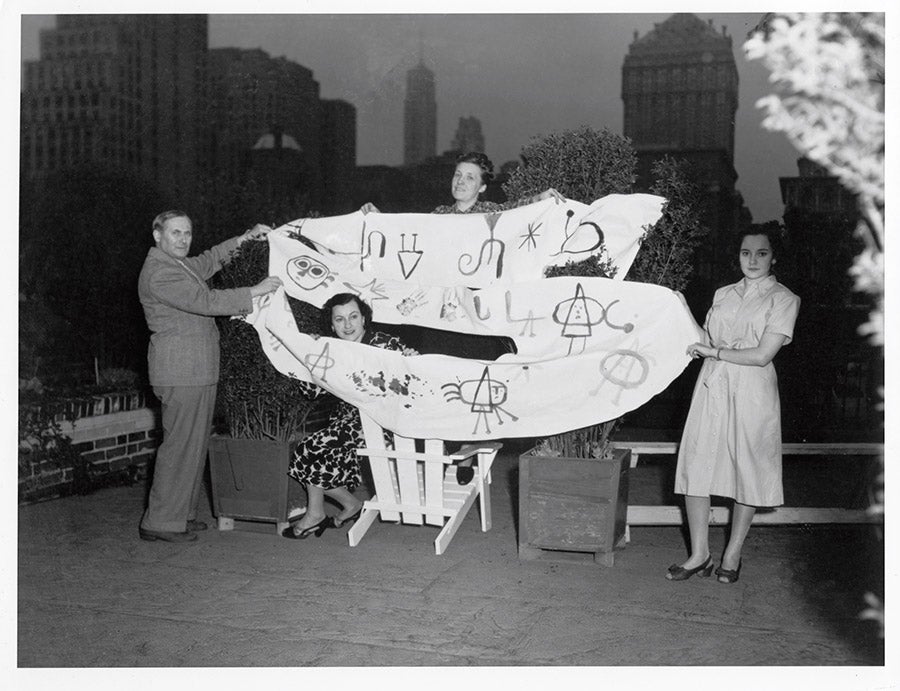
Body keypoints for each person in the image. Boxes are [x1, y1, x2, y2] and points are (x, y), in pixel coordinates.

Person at [360, 152, 564, 483]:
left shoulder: (490, 213)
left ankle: (467, 447)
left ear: (482, 187)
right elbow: (407, 237)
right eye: (457, 175)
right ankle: (446, 446)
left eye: (469, 177)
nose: (460, 181)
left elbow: (517, 211)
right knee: (438, 378)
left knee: (473, 382)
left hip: (476, 320)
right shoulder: (439, 215)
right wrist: (377, 220)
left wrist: (540, 199)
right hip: (439, 317)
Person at [138, 210, 282, 542]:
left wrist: (247, 237)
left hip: (196, 369)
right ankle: (160, 522)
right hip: (181, 370)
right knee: (179, 447)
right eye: (175, 233)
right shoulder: (159, 273)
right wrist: (254, 291)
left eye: (187, 232)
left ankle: (179, 516)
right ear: (157, 235)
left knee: (193, 445)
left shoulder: (180, 264)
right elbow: (205, 300)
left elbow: (212, 258)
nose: (183, 239)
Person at [666, 226, 800, 583]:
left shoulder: (784, 298)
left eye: (761, 253)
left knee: (747, 469)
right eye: (745, 253)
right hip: (712, 384)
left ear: (774, 257)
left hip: (753, 389)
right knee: (696, 464)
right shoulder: (723, 293)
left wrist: (715, 352)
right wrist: (680, 309)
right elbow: (704, 341)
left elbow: (761, 355)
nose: (752, 260)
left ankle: (733, 553)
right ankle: (699, 554)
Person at [284, 293, 418, 539]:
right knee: (308, 454)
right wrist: (309, 356)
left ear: (364, 318)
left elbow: (417, 379)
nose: (348, 325)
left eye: (353, 317)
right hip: (346, 422)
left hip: (381, 422)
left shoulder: (385, 344)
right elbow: (310, 392)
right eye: (340, 319)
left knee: (310, 449)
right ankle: (341, 507)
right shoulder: (331, 348)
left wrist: (413, 360)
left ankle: (322, 512)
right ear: (332, 325)